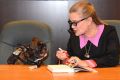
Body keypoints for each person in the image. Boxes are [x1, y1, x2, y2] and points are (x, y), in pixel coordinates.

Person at [56, 1, 120, 68]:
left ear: (89, 20)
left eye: (75, 22)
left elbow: (112, 59)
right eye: (71, 22)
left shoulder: (109, 32)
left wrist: (86, 63)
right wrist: (65, 58)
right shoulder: (74, 34)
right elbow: (71, 60)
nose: (72, 26)